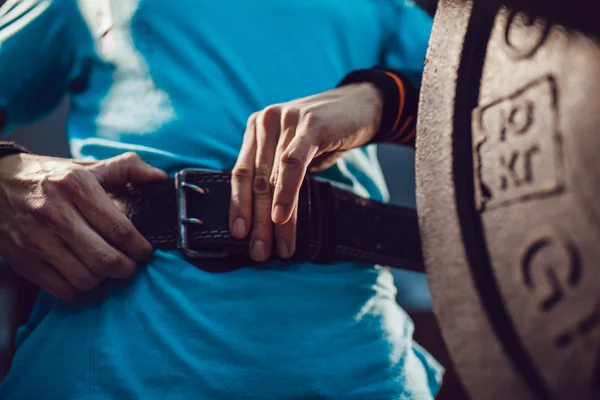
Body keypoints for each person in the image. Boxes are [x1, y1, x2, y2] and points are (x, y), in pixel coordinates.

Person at [0, 0, 442, 398]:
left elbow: (491, 95)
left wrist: (379, 99)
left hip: (363, 367)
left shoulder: (384, 7)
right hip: (115, 365)